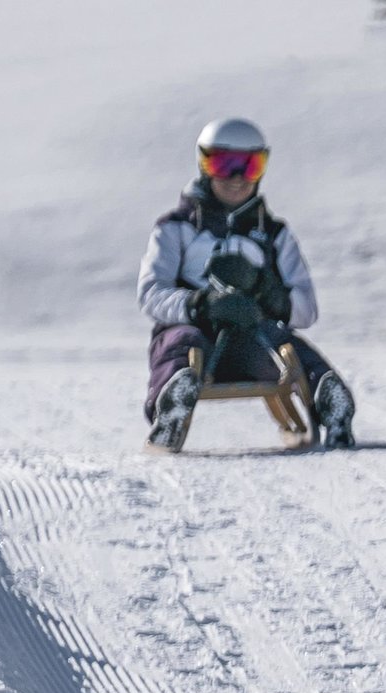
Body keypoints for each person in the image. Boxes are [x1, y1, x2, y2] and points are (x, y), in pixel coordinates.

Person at [137, 117, 356, 449]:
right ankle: (172, 405)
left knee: (284, 345)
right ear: (204, 165)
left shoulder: (273, 234)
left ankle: (329, 402)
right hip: (197, 336)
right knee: (180, 341)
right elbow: (151, 293)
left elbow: (307, 310)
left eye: (250, 166)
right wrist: (200, 304)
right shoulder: (175, 228)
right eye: (224, 164)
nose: (237, 179)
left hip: (253, 341)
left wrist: (268, 294)